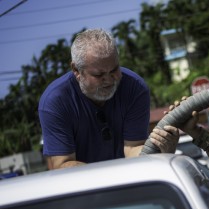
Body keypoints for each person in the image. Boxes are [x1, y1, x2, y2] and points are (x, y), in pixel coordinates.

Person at [39, 28, 178, 169]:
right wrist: (107, 177)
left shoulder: (134, 88)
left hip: (128, 180)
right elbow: (62, 164)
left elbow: (132, 148)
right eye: (99, 75)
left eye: (114, 70)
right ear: (76, 71)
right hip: (82, 187)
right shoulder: (55, 101)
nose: (109, 80)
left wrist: (161, 150)